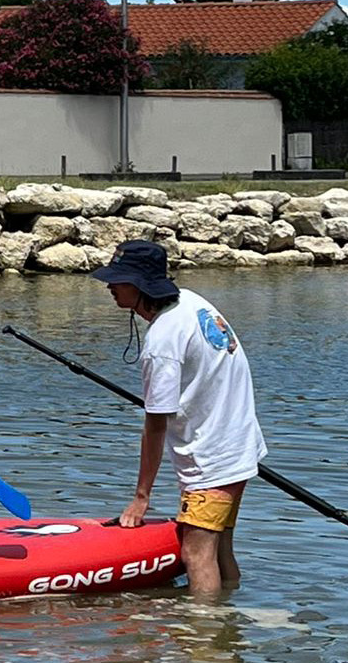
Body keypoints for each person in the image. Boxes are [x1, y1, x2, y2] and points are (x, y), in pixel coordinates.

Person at [93, 239, 267, 601]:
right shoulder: (191, 302)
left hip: (211, 460)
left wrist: (141, 498)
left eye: (118, 280)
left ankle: (203, 639)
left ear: (140, 286)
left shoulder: (161, 343)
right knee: (219, 550)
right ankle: (228, 619)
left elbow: (155, 424)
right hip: (239, 447)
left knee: (196, 554)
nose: (109, 286)